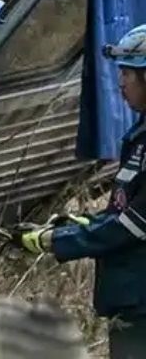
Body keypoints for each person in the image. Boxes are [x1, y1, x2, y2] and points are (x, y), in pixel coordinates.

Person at [12, 24, 146, 359]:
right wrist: (80, 223)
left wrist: (54, 241)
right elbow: (123, 209)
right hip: (132, 299)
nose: (120, 83)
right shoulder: (140, 136)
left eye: (128, 73)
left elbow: (133, 225)